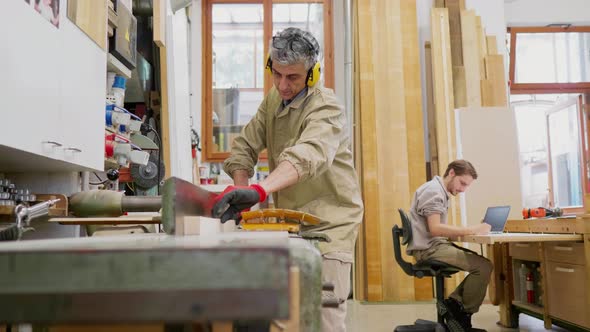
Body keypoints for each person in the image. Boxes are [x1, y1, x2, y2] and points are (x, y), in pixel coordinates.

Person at [212, 27, 364, 332]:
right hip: (289, 225)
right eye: (277, 74)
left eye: (292, 77)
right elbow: (245, 146)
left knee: (324, 316)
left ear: (312, 74)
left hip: (329, 225)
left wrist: (259, 190)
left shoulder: (327, 108)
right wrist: (242, 188)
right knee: (286, 316)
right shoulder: (274, 99)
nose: (282, 85)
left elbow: (307, 155)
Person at [407, 160, 492, 332]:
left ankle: (454, 305)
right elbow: (435, 228)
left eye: (467, 186)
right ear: (451, 173)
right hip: (429, 250)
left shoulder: (438, 190)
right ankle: (460, 312)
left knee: (482, 264)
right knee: (483, 266)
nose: (463, 189)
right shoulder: (433, 192)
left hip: (433, 246)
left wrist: (471, 230)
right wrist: (472, 229)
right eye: (462, 183)